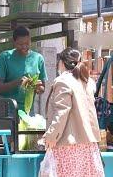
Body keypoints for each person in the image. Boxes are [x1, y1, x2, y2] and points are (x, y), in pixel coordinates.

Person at [43, 47, 104, 176]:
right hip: (88, 145)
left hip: (68, 145)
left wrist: (50, 136)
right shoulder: (87, 81)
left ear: (61, 63)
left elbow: (61, 112)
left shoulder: (63, 81)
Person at [0, 26, 47, 113]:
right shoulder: (4, 57)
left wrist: (38, 87)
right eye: (20, 44)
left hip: (28, 112)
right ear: (14, 42)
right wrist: (17, 82)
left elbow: (42, 88)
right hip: (7, 111)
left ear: (30, 40)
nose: (24, 46)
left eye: (27, 43)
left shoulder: (38, 58)